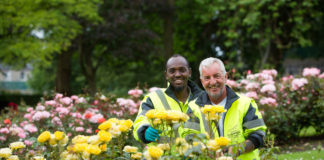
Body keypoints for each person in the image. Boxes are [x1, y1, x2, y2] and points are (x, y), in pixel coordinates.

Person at [188, 57, 266, 160]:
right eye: (207, 78)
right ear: (202, 81)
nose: (212, 82)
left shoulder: (245, 104)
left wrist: (237, 149)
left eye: (217, 76)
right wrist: (205, 151)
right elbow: (188, 140)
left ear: (226, 77)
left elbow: (258, 135)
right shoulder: (193, 108)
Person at [133, 54, 203, 144]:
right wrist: (144, 130)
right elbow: (141, 120)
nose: (177, 75)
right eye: (172, 71)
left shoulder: (203, 99)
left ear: (189, 72)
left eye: (182, 70)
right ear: (166, 75)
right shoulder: (153, 98)